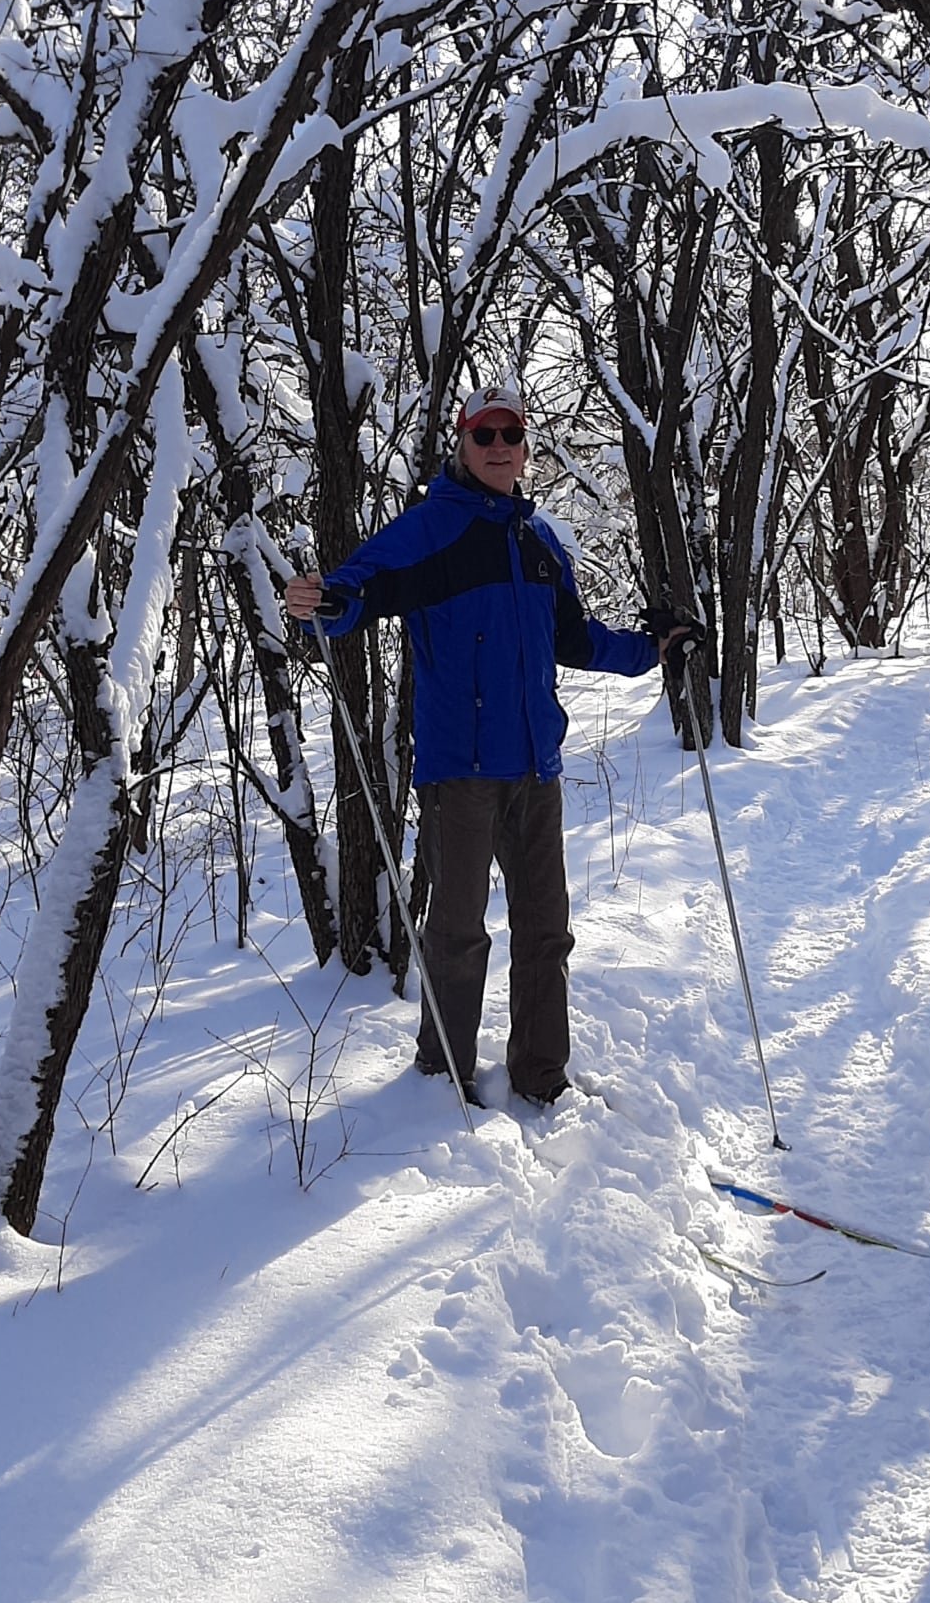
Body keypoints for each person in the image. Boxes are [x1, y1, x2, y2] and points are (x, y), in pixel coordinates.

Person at [285, 383, 690, 1108]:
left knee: (546, 934)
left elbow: (576, 640)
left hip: (538, 768)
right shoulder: (431, 529)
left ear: (526, 448)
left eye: (511, 435)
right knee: (458, 935)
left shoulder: (539, 544)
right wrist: (326, 602)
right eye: (485, 435)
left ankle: (541, 1077)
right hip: (461, 772)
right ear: (463, 444)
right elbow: (360, 589)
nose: (500, 447)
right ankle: (444, 1079)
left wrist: (651, 650)